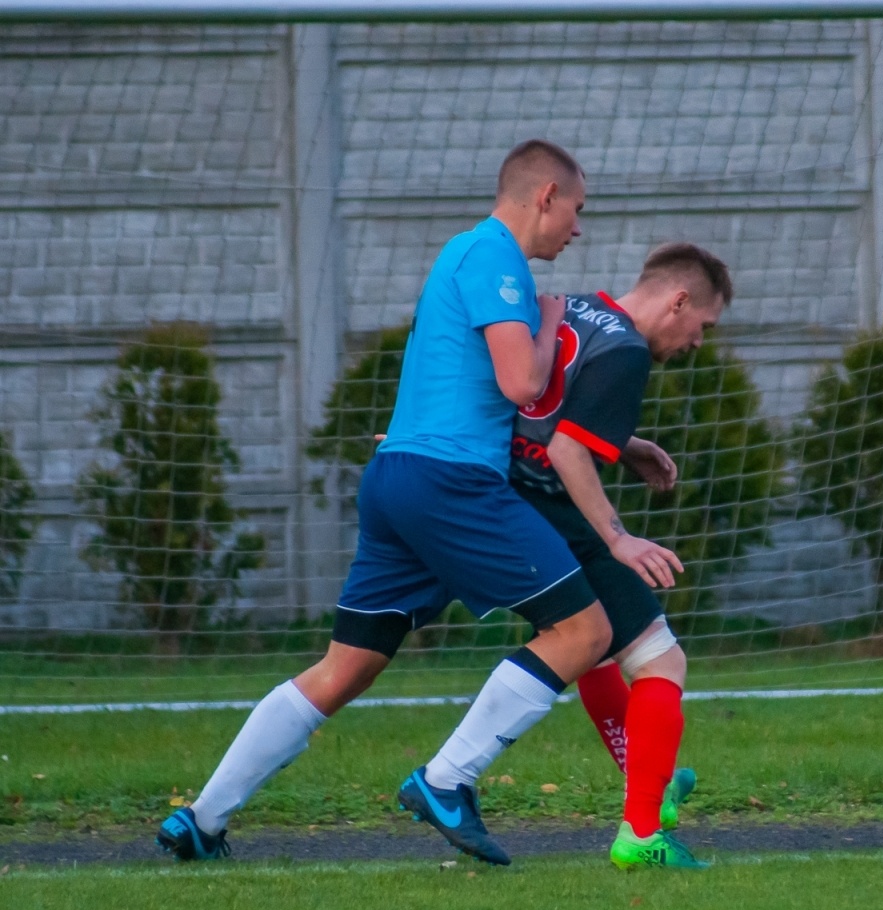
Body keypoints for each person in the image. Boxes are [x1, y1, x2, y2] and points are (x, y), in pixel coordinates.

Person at [158, 139, 612, 868]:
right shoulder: (499, 262)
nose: (579, 230)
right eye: (578, 210)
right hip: (449, 483)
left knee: (346, 668)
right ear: (545, 196)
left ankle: (201, 820)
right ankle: (446, 780)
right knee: (584, 631)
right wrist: (554, 320)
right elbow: (522, 386)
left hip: (397, 477)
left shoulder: (462, 254)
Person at [510, 243, 733, 870]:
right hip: (556, 512)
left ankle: (651, 787)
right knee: (661, 659)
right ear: (679, 300)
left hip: (509, 504)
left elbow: (537, 405)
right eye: (702, 328)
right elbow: (565, 451)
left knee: (595, 646)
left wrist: (624, 441)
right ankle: (642, 832)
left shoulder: (578, 310)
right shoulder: (628, 351)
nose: (697, 343)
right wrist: (617, 537)